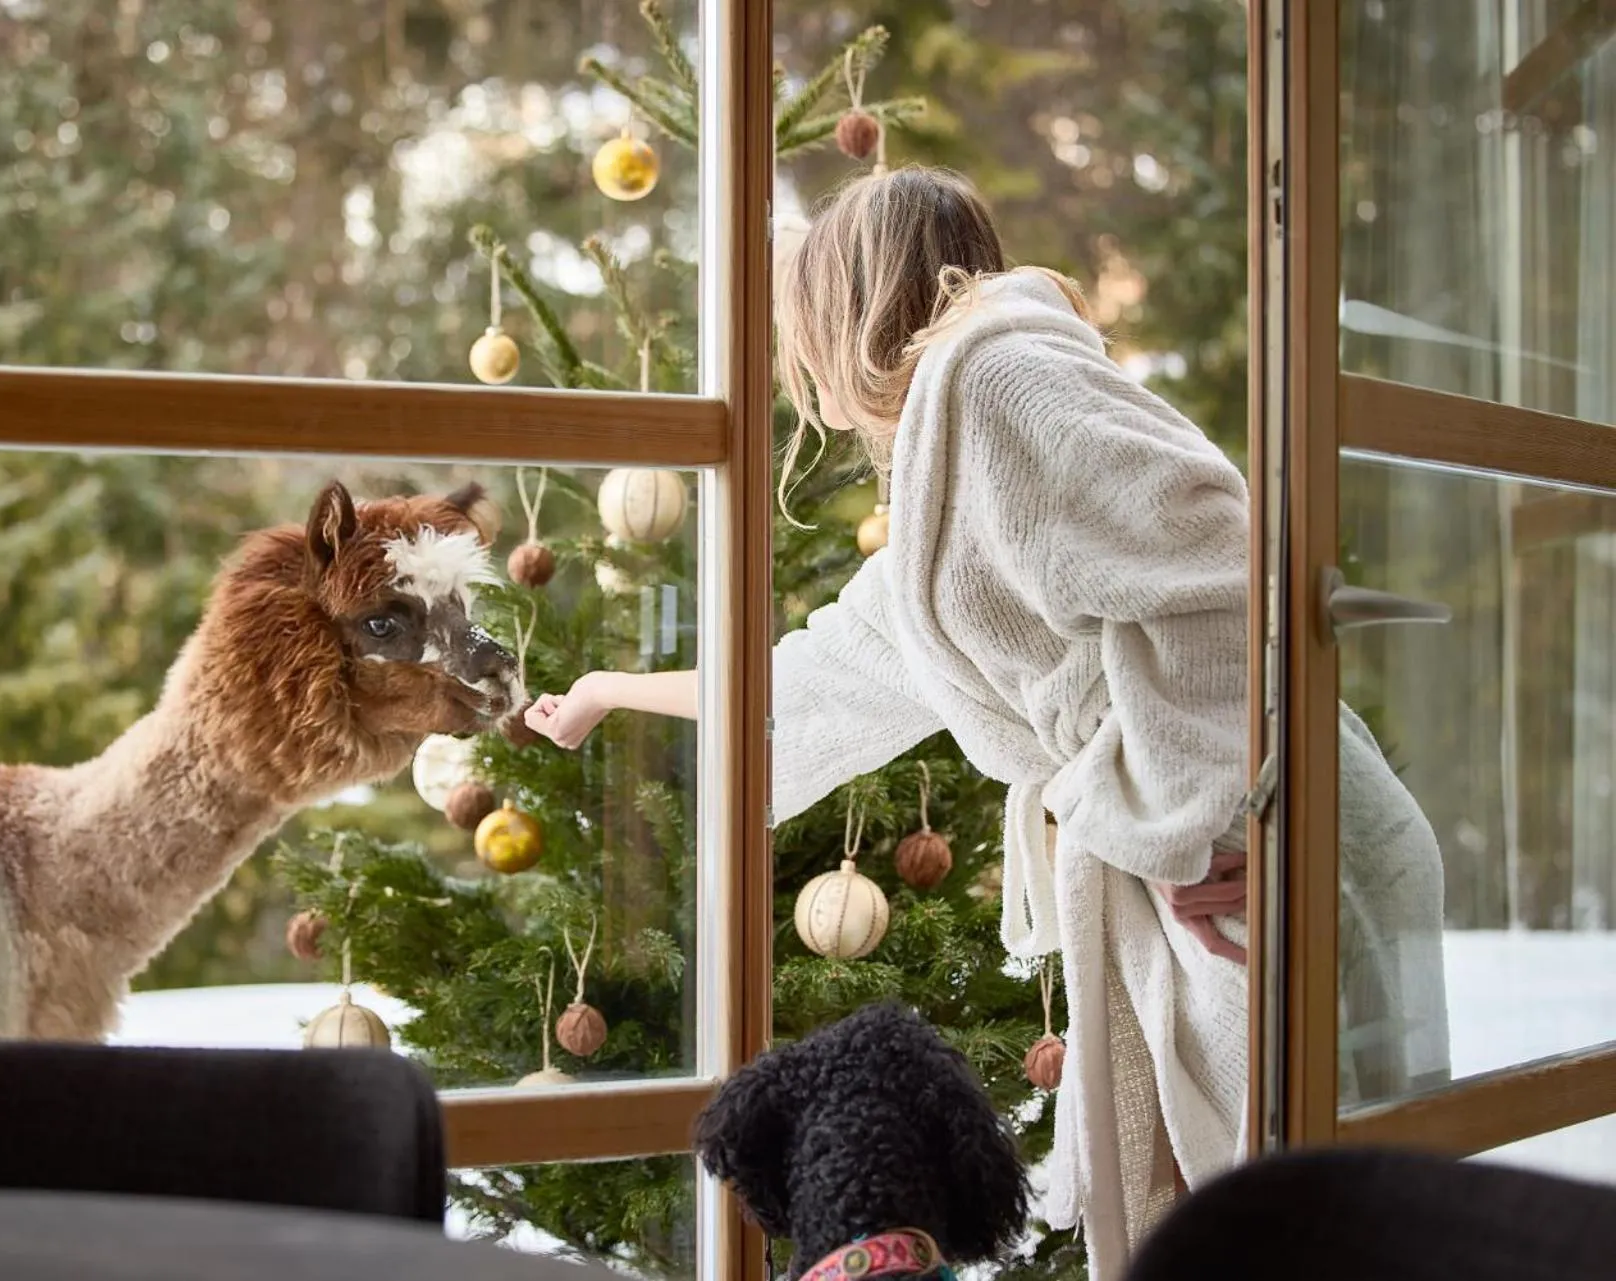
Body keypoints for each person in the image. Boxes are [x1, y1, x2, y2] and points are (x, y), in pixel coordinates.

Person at [524, 167, 1449, 1279]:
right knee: (1263, 1218)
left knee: (1318, 1222)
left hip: (1259, 838)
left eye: (799, 317)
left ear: (853, 303)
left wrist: (1199, 821)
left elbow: (1220, 563)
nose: (792, 357)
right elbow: (816, 676)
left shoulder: (1004, 378)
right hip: (1225, 848)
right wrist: (610, 690)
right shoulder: (948, 457)